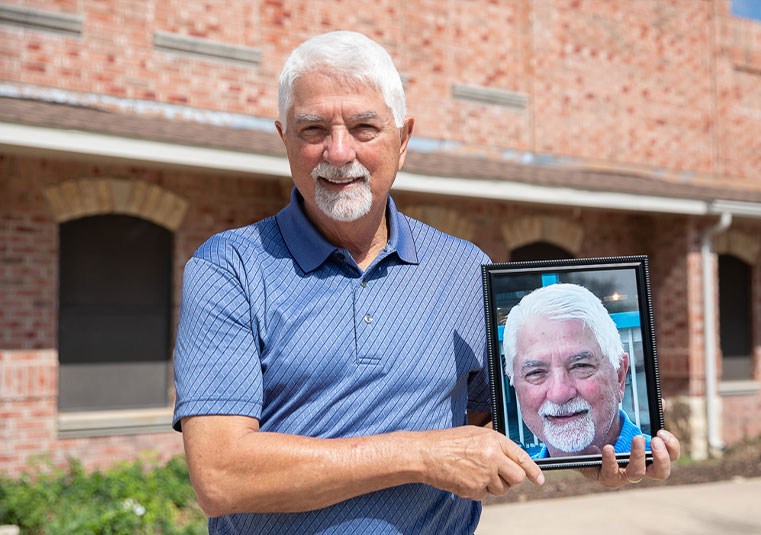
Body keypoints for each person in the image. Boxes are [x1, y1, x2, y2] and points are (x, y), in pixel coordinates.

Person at [172, 31, 679, 535]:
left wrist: (585, 454)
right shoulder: (229, 267)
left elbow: (490, 429)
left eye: (365, 126)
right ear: (284, 138)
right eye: (313, 129)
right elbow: (220, 476)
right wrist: (418, 454)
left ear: (403, 139)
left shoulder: (462, 271)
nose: (339, 151)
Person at [503, 282, 650, 458]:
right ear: (514, 383)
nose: (559, 394)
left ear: (619, 376)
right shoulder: (515, 481)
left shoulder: (668, 466)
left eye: (580, 366)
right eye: (535, 372)